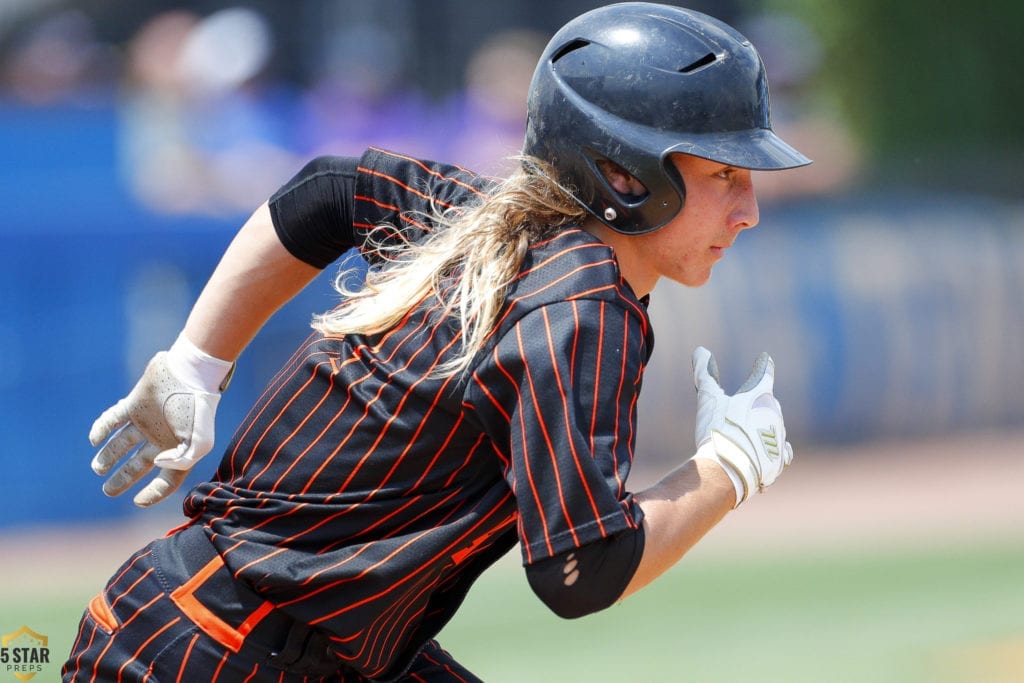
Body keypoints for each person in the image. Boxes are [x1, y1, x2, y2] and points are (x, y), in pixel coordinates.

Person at [64, 4, 809, 681]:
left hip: (245, 631)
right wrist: (728, 467)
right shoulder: (584, 306)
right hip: (208, 650)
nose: (748, 208)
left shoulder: (489, 216)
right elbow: (583, 569)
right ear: (624, 172)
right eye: (722, 173)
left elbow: (326, 190)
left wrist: (197, 361)